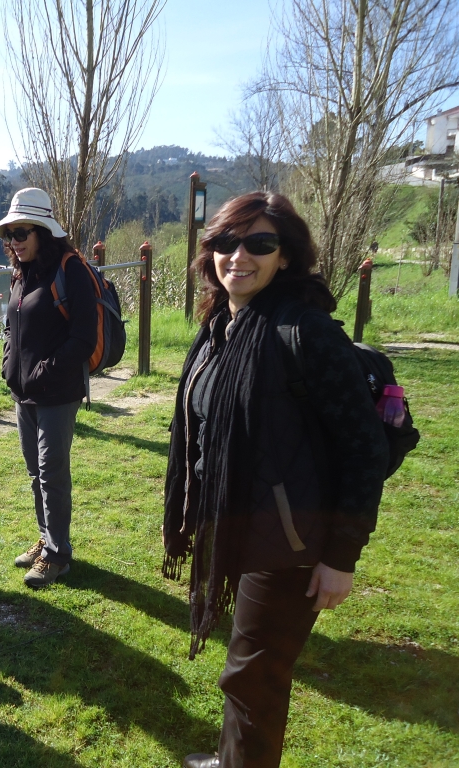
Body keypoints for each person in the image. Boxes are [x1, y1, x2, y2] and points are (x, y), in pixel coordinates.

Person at [163, 193, 389, 768]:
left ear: (285, 255)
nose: (239, 256)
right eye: (226, 242)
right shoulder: (221, 326)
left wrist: (341, 557)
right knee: (248, 666)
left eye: (259, 243)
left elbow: (362, 449)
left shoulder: (305, 332)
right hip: (237, 521)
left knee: (254, 676)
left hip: (290, 540)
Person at [0, 187, 97, 588]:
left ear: (43, 231)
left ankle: (57, 556)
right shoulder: (22, 273)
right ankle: (46, 539)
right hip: (24, 394)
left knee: (52, 473)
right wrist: (10, 364)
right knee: (35, 473)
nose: (14, 242)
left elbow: (83, 338)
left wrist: (43, 372)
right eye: (10, 235)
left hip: (58, 393)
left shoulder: (71, 270)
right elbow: (12, 326)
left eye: (21, 233)